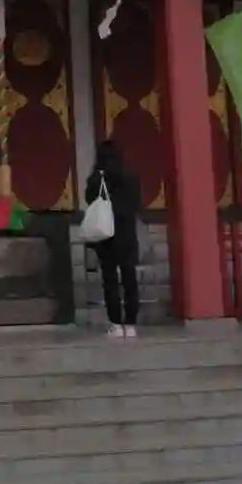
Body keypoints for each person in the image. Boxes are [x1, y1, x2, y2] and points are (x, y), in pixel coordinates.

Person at [84, 139, 141, 338]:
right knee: (129, 278)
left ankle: (115, 323)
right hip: (127, 234)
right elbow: (136, 203)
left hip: (106, 235)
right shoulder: (130, 177)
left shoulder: (97, 178)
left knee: (110, 281)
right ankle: (131, 323)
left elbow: (89, 199)